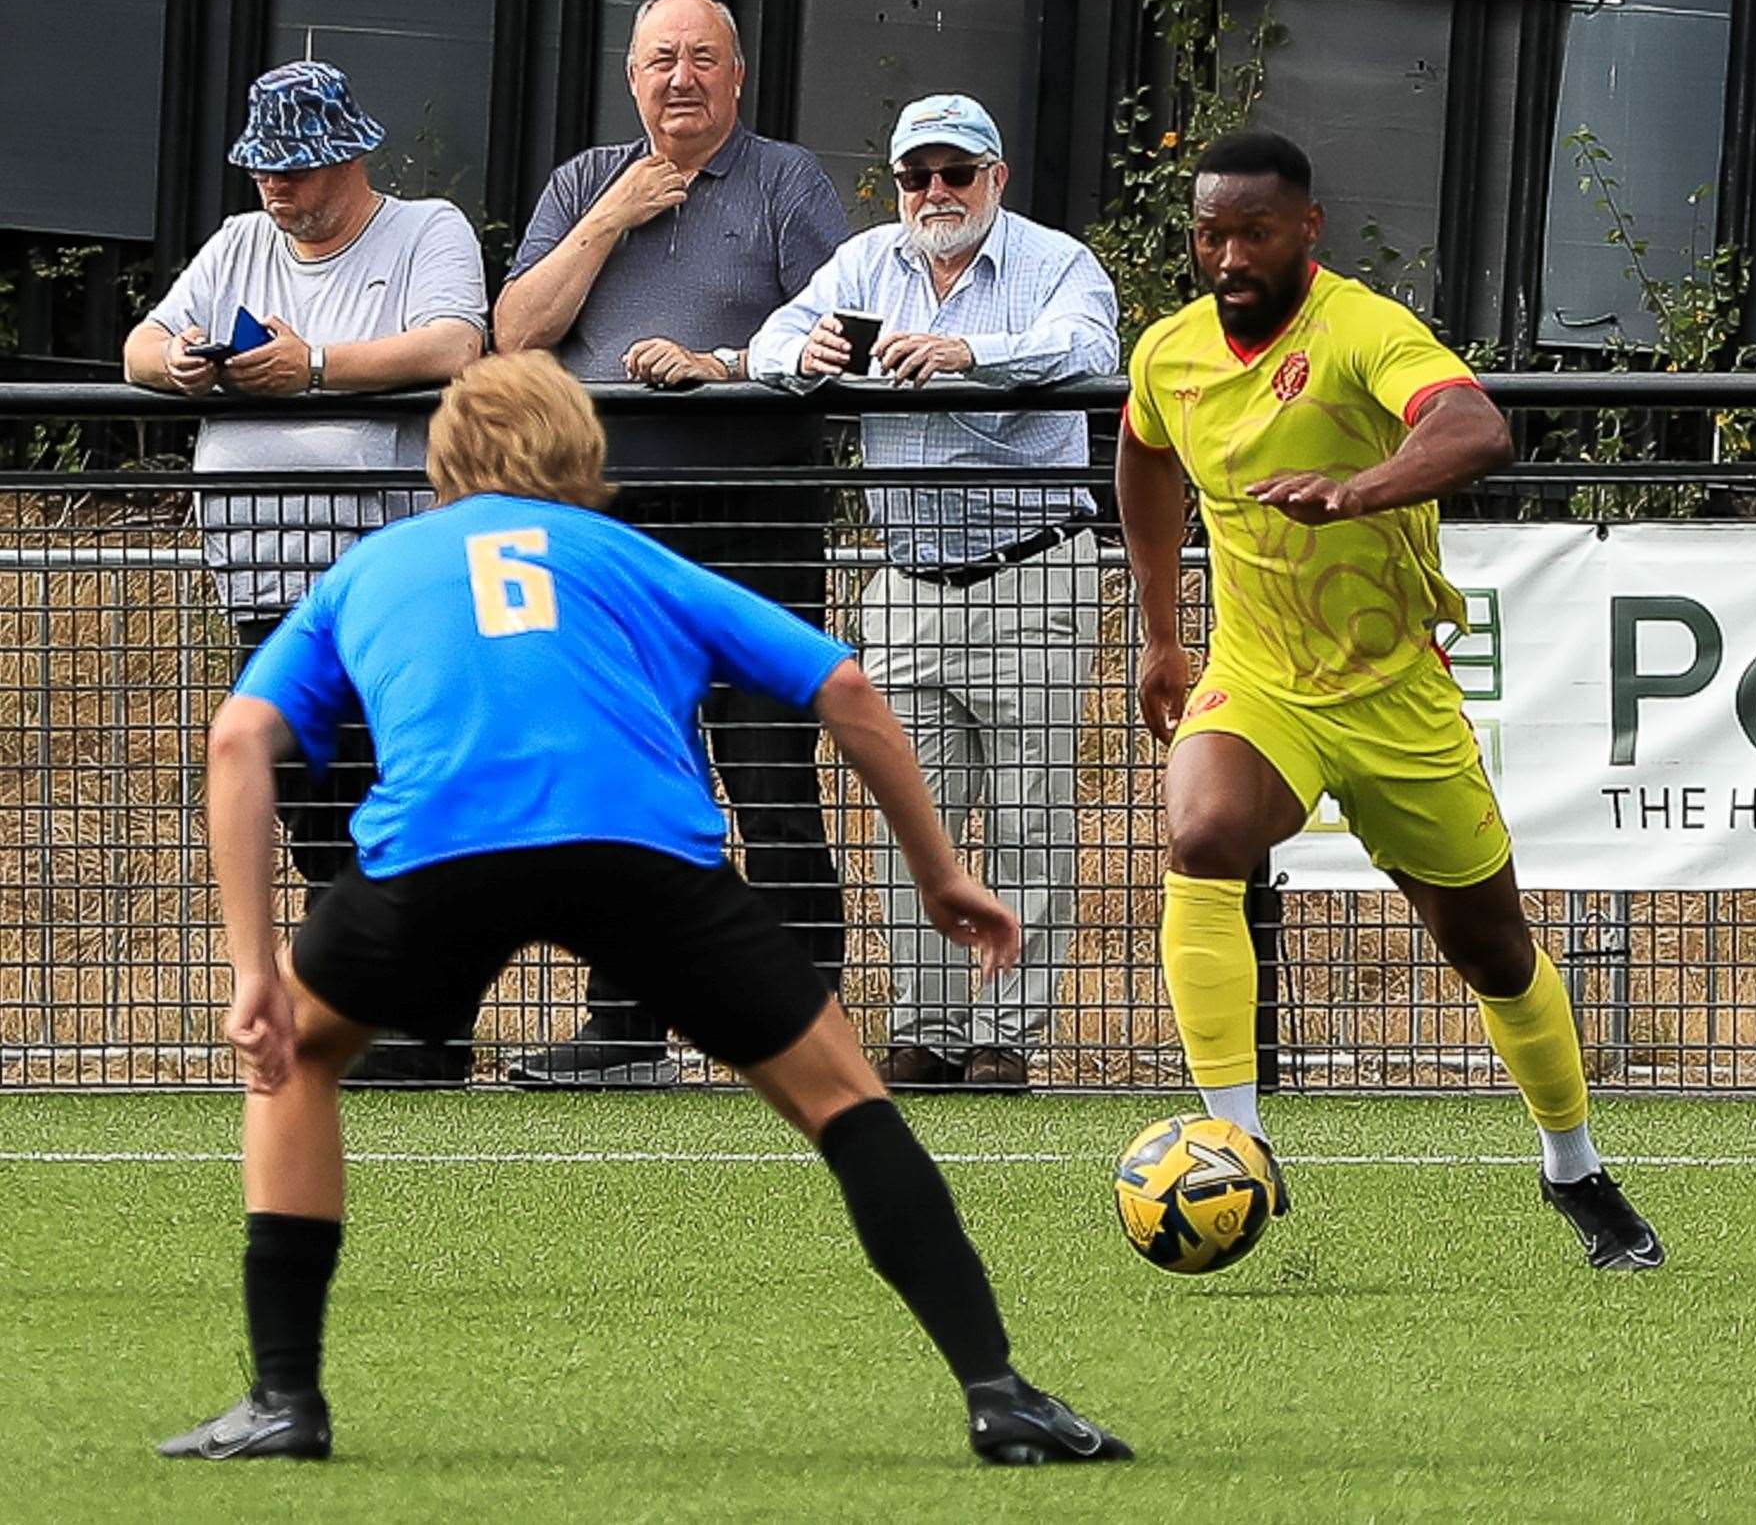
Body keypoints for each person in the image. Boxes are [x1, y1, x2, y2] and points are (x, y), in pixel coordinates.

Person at [154, 351, 1130, 1467]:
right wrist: (942, 872)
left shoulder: (372, 566)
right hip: (637, 854)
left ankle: (284, 1399)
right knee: (845, 1099)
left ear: (441, 458)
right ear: (583, 449)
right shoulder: (631, 555)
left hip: (433, 856)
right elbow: (844, 686)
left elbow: (239, 737)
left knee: (294, 1064)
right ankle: (996, 1391)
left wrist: (252, 974)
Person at [1116, 128, 1663, 1270]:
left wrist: (1355, 489)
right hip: (1258, 678)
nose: (1227, 253)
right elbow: (1144, 453)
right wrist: (1163, 632)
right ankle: (1239, 1151)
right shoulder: (1168, 353)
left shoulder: (1361, 327)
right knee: (1202, 832)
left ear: (1303, 229)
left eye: (1252, 231)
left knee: (1492, 949)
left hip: (1393, 693)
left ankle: (1574, 1170)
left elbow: (1474, 426)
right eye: (1209, 231)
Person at [495, 0, 850, 1088]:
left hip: (756, 524)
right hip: (610, 533)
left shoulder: (787, 181)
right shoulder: (581, 180)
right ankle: (626, 1023)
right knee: (630, 772)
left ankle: (801, 1027)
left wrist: (722, 368)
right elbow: (516, 332)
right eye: (659, 60)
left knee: (766, 772)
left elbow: (837, 332)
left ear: (737, 77)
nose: (680, 78)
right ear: (631, 77)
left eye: (702, 58)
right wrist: (613, 214)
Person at [124, 59, 487, 1084]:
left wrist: (314, 367)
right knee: (313, 809)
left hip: (392, 588)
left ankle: (428, 1027)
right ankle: (380, 1015)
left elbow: (458, 343)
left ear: (349, 153)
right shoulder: (240, 243)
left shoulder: (428, 230)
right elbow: (136, 346)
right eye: (264, 172)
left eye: (298, 171)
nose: (279, 191)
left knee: (399, 801)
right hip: (264, 586)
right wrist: (185, 365)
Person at [749, 94, 1119, 1091]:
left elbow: (1091, 351)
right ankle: (924, 1028)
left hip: (1030, 566)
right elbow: (767, 344)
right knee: (909, 818)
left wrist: (971, 358)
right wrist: (806, 356)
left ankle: (1005, 1036)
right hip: (903, 576)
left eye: (956, 172)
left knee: (1031, 813)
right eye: (917, 174)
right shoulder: (864, 262)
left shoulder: (1054, 262)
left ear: (995, 178)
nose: (936, 192)